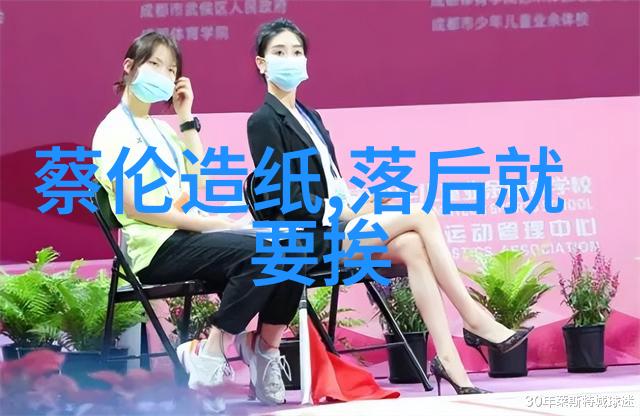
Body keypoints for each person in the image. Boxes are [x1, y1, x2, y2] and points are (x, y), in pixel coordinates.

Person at [246, 18, 532, 396]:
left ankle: (450, 361)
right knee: (421, 215)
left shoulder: (310, 116)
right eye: (279, 52)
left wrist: (359, 203)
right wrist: (347, 212)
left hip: (340, 226)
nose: (290, 59)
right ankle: (474, 318)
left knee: (413, 245)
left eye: (297, 52)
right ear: (262, 63)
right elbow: (289, 200)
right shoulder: (263, 121)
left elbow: (333, 182)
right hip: (309, 239)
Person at [91, 31, 300, 408]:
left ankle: (263, 350)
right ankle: (210, 352)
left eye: (171, 70)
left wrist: (185, 116)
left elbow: (196, 181)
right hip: (155, 248)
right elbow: (136, 208)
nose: (163, 75)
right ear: (130, 66)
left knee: (292, 247)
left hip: (186, 234)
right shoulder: (112, 131)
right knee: (265, 251)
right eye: (155, 64)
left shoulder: (161, 130)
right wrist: (212, 225)